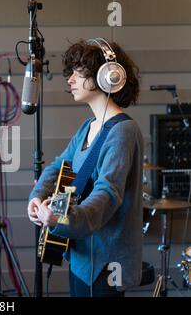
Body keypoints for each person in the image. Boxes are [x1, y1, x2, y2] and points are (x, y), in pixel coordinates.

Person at [27, 38, 144, 297]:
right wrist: (37, 196)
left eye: (78, 73)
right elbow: (60, 166)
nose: (70, 80)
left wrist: (62, 219)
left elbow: (107, 194)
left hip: (105, 265)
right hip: (80, 256)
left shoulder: (123, 131)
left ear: (107, 77)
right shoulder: (88, 127)